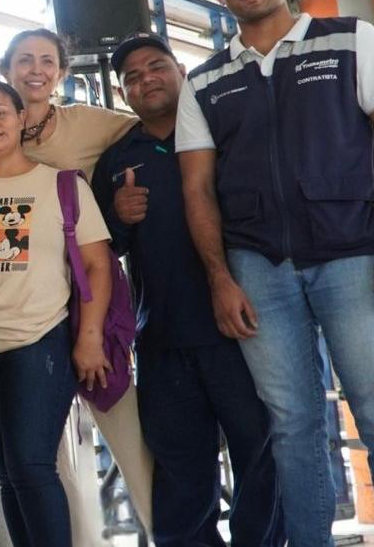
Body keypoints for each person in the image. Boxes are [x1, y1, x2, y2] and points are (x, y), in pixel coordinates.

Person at [177, 0, 374, 547]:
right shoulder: (205, 80)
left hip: (353, 258)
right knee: (293, 427)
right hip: (257, 269)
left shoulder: (350, 40)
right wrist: (220, 278)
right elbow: (197, 189)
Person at [92, 34, 283, 547]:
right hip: (163, 337)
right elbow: (101, 251)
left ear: (181, 70)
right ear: (122, 92)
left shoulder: (223, 131)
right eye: (132, 77)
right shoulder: (117, 159)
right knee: (180, 468)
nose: (146, 80)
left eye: (156, 67)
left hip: (243, 327)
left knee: (259, 454)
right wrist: (119, 217)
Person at [0, 80, 116, 547]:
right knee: (6, 471)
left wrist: (90, 337)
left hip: (40, 341)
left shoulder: (62, 186)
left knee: (30, 464)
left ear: (22, 118)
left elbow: (98, 266)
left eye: (0, 112)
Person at [0, 29, 154, 546]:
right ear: (6, 69)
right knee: (44, 459)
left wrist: (116, 209)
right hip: (22, 308)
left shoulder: (86, 122)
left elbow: (151, 125)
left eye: (47, 61)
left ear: (62, 73)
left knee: (127, 434)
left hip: (89, 301)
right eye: (24, 60)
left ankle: (168, 534)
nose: (36, 70)